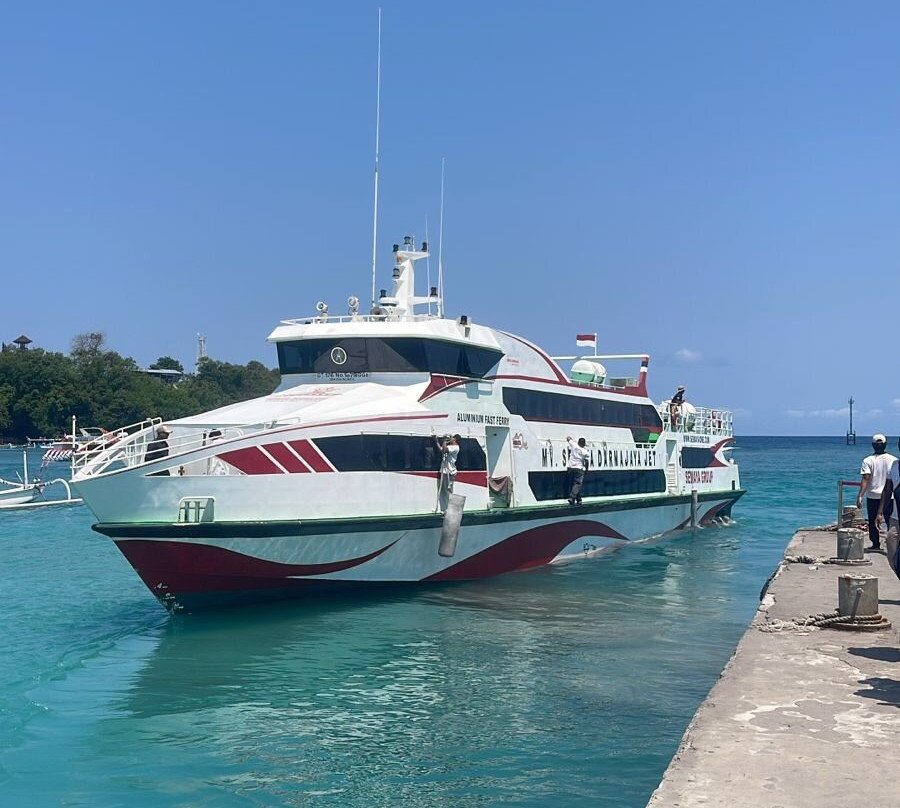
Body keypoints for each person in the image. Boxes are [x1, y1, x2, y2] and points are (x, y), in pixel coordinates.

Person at [857, 433, 895, 550]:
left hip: (873, 495)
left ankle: (876, 544)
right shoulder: (893, 460)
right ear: (885, 444)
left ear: (873, 445)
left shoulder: (868, 460)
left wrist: (860, 495)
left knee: (873, 521)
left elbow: (866, 478)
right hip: (890, 496)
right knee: (891, 522)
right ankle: (892, 544)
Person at [435, 434, 460, 512]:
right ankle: (447, 508)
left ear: (455, 439)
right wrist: (436, 441)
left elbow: (444, 450)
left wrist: (444, 441)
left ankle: (452, 510)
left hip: (450, 472)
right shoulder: (451, 447)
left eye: (452, 438)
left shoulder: (455, 447)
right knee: (445, 490)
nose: (450, 439)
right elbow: (441, 449)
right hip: (446, 471)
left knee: (448, 490)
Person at [566, 436, 589, 505]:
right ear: (584, 444)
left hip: (570, 467)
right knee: (577, 484)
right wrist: (586, 470)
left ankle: (579, 499)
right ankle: (572, 497)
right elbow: (586, 462)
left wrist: (571, 439)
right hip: (579, 468)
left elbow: (568, 438)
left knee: (574, 484)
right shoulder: (585, 452)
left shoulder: (574, 445)